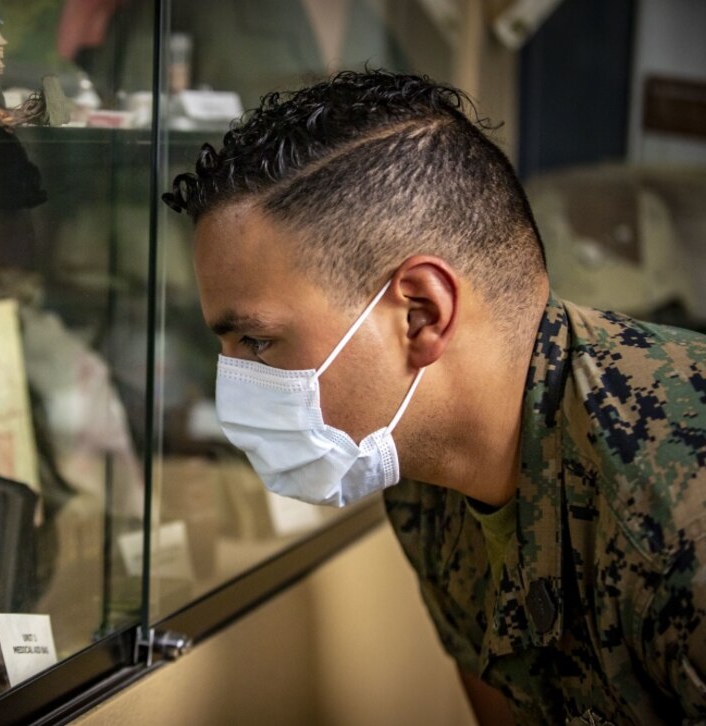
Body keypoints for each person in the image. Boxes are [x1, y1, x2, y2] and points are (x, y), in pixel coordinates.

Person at [163, 70, 706, 725]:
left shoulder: (680, 517)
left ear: (420, 313)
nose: (233, 390)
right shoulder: (422, 481)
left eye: (255, 341)